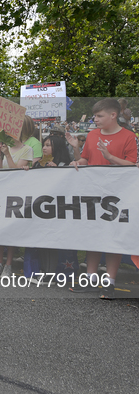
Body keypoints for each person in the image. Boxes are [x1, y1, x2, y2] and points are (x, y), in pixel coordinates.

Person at [69, 98, 138, 300]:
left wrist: (110, 158)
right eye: (95, 116)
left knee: (113, 238)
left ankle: (110, 282)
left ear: (113, 115)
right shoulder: (91, 135)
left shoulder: (128, 136)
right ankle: (90, 279)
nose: (95, 119)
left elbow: (132, 165)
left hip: (118, 196)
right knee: (93, 236)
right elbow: (85, 160)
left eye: (99, 116)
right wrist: (76, 157)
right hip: (93, 193)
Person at [0, 128, 33, 277]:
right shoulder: (4, 149)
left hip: (16, 193)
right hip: (2, 191)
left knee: (11, 230)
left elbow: (16, 171)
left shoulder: (27, 150)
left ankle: (8, 265)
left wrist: (7, 154)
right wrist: (1, 156)